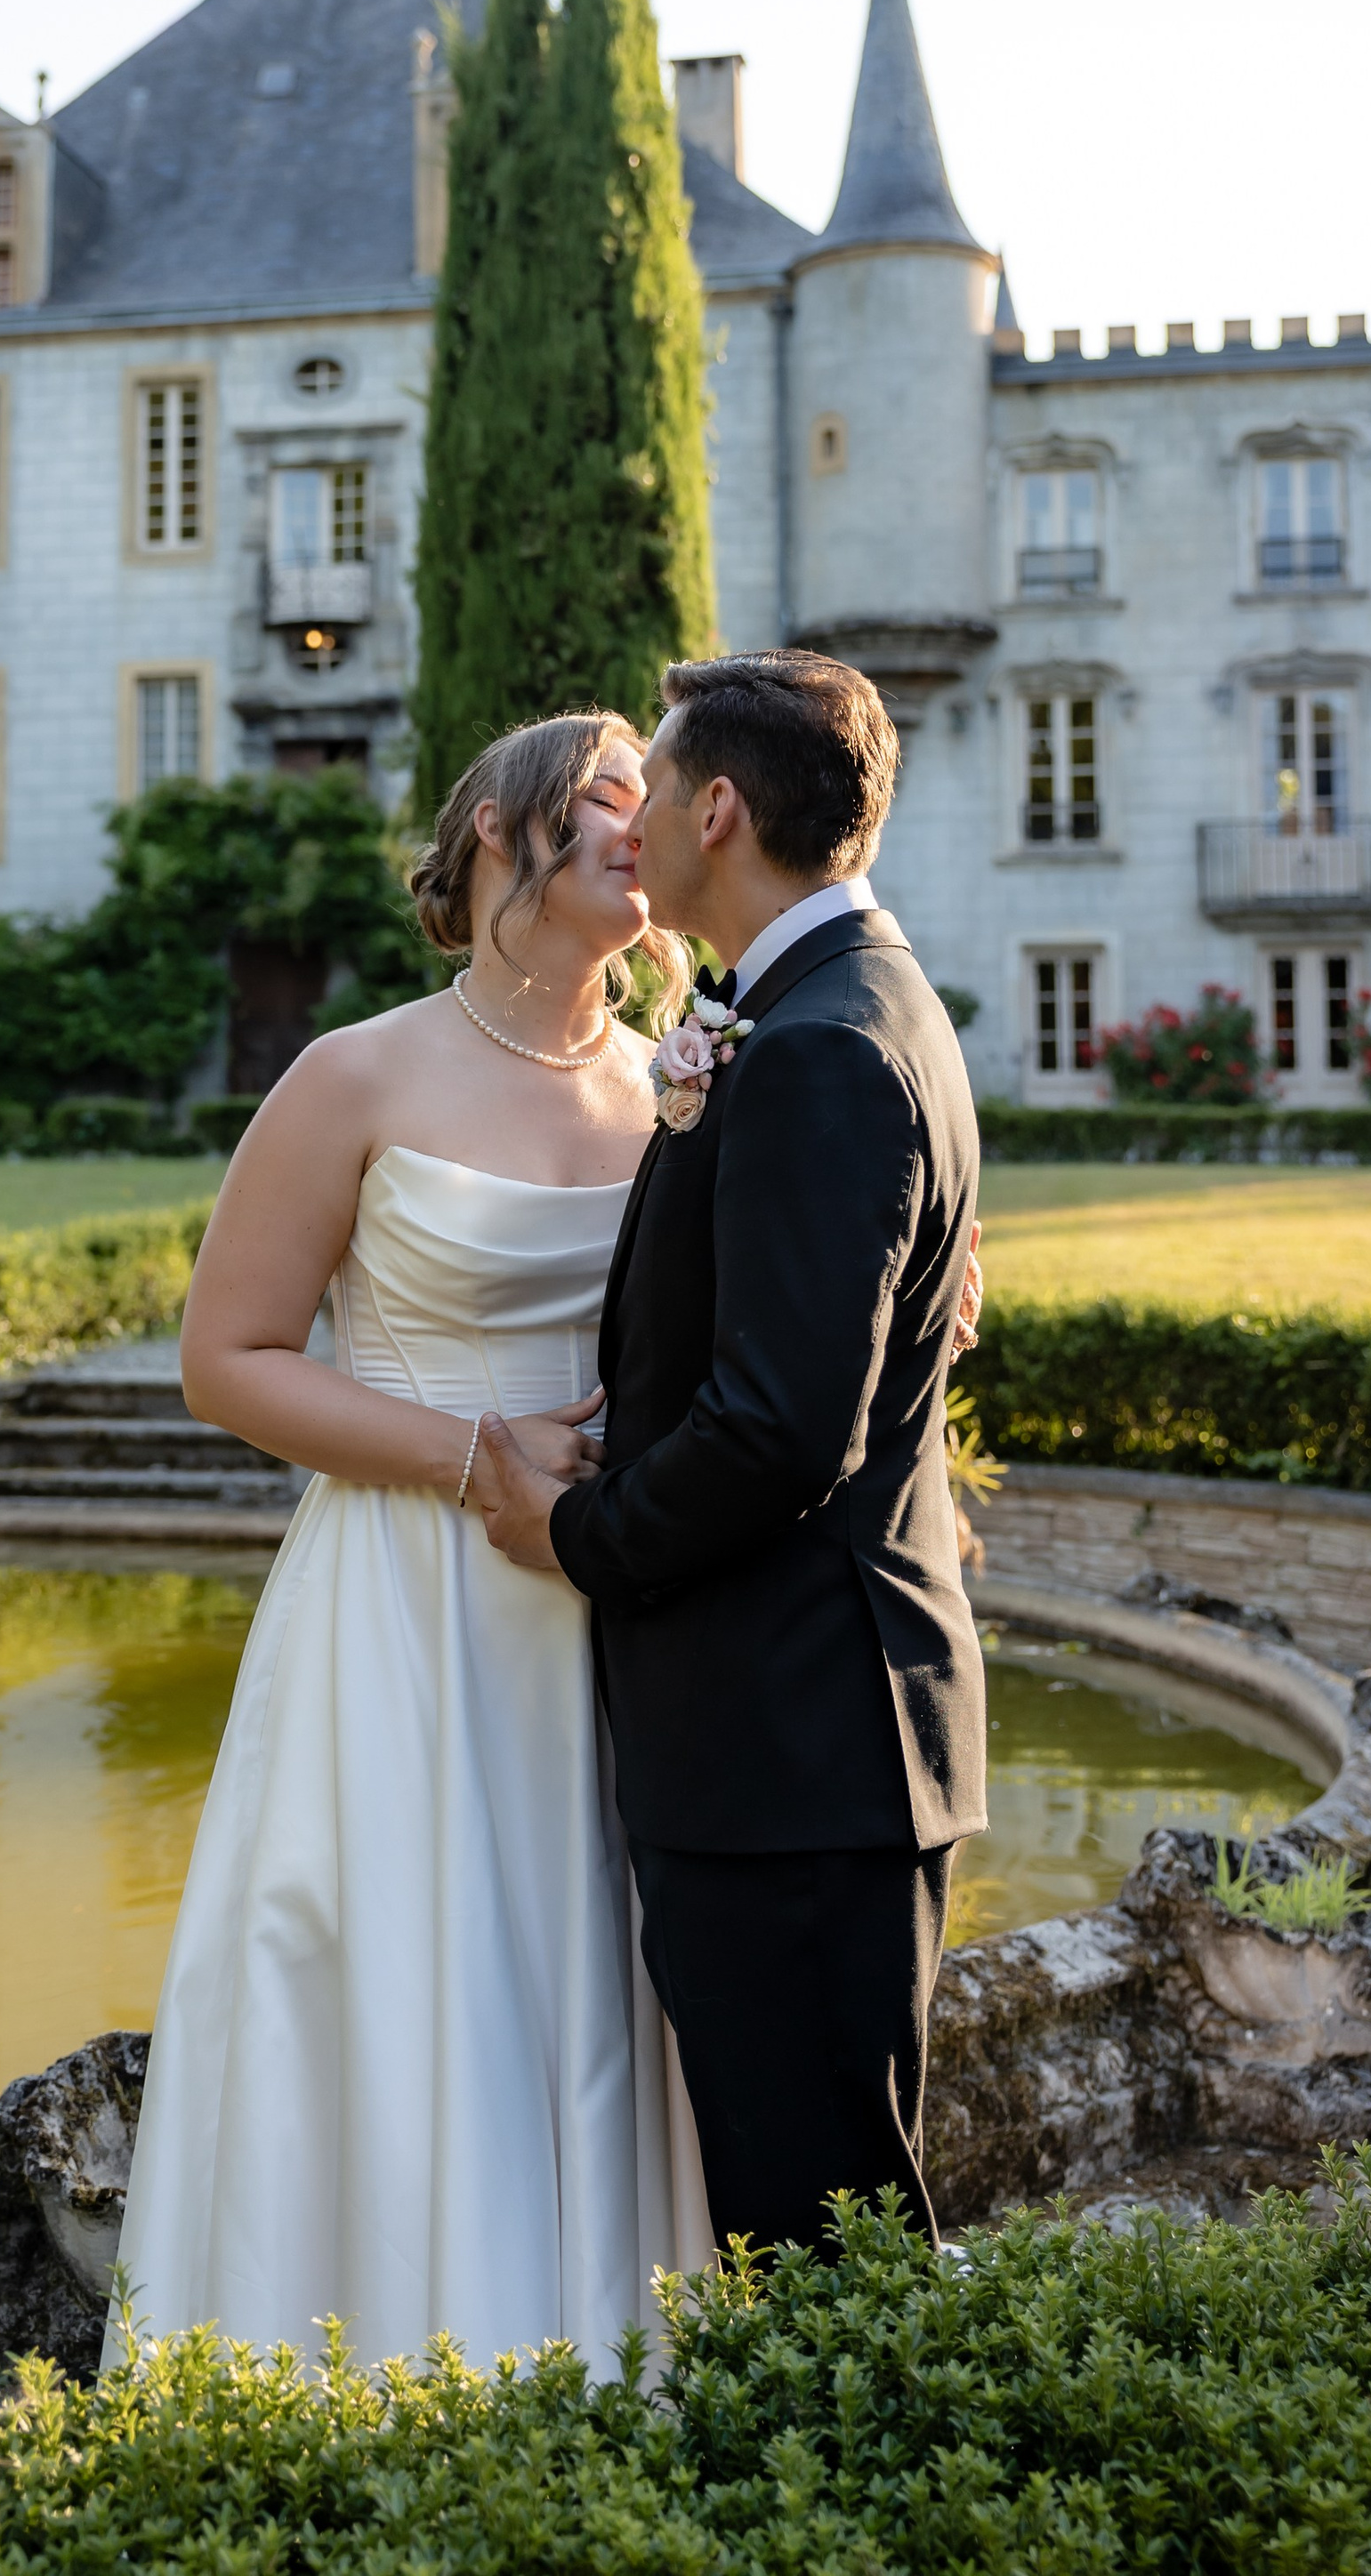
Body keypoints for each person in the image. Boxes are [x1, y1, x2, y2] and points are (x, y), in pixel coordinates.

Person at [109, 711, 716, 2370]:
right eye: (605, 793)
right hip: (401, 1601)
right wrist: (472, 1456)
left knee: (599, 1987)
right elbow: (225, 1362)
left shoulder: (681, 1074)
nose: (642, 818)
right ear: (502, 839)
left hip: (615, 1609)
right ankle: (354, 2376)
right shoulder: (356, 1072)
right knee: (388, 1977)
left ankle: (596, 2367)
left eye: (650, 796)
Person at [474, 648, 988, 2256]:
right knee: (816, 2214)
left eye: (657, 787)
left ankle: (883, 2505)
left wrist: (572, 1535)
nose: (634, 827)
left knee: (825, 2237)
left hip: (798, 1750)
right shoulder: (838, 1002)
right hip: (801, 1740)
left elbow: (781, 1435)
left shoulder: (823, 1043)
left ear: (718, 808)